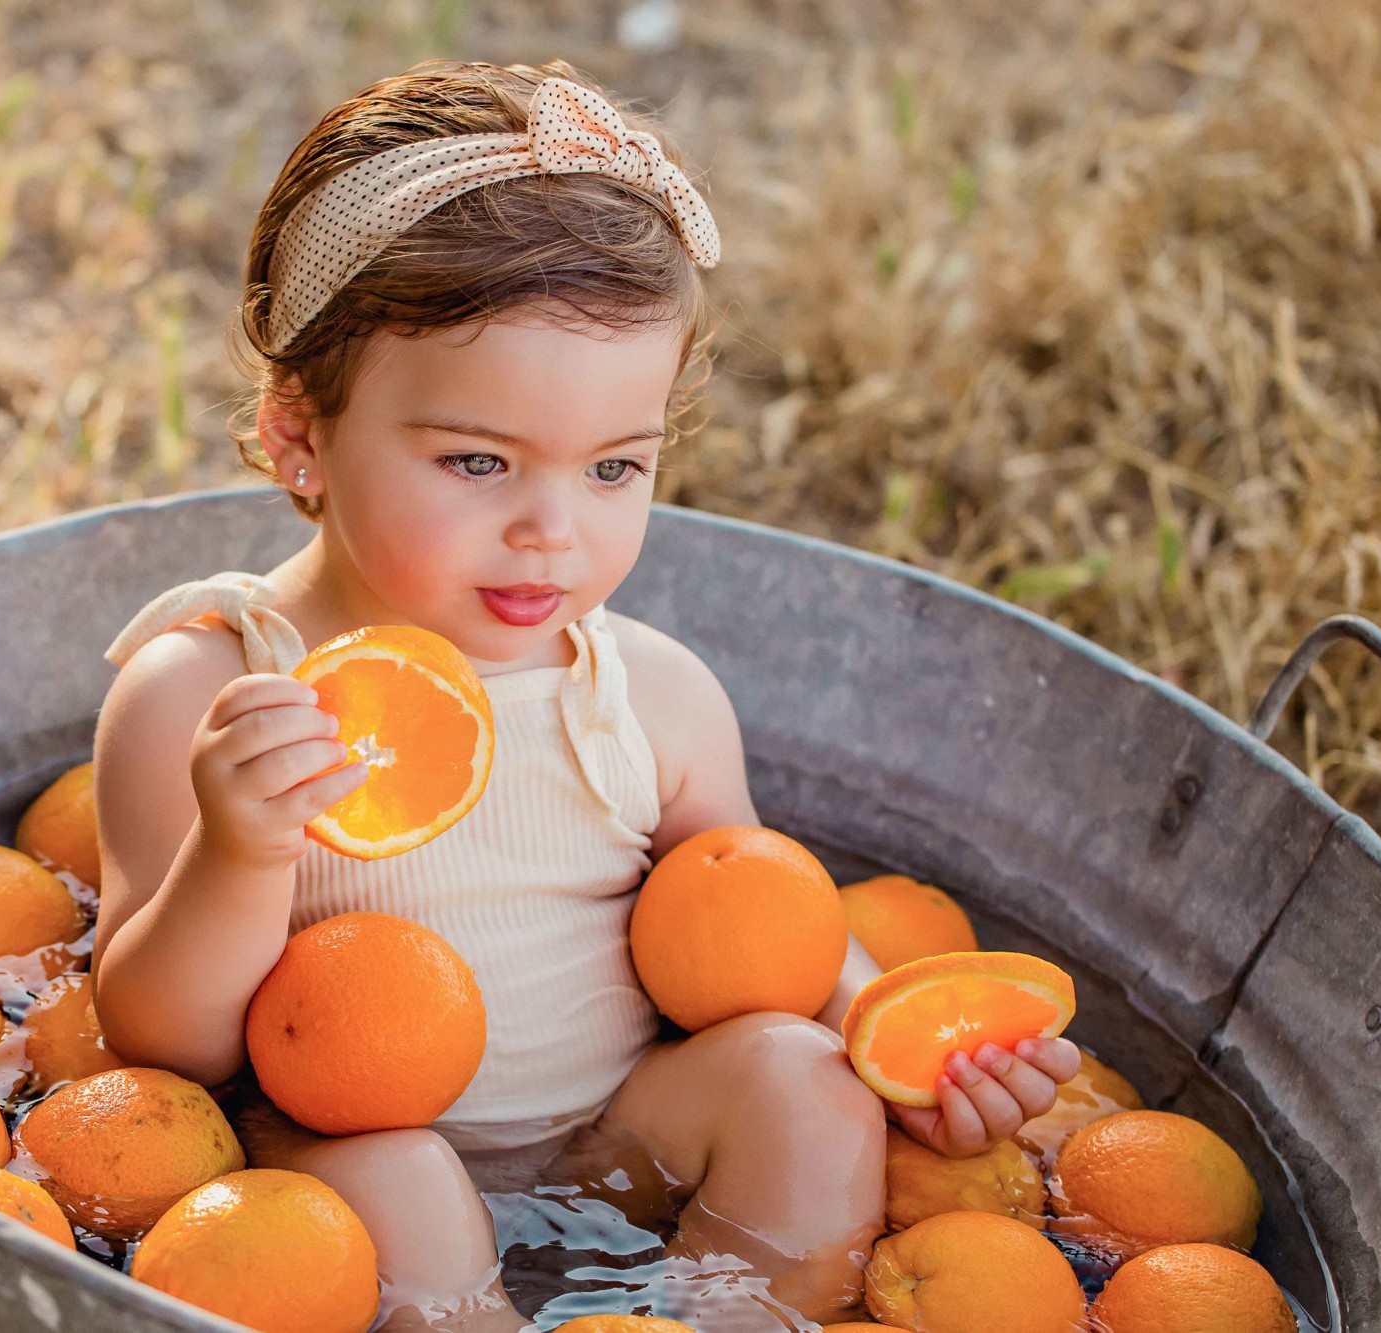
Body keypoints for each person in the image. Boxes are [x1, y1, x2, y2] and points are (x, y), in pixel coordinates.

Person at [90, 58, 1079, 1331]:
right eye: (478, 461)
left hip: (617, 1137)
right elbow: (162, 1048)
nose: (552, 533)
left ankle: (742, 1316)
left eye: (614, 466)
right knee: (396, 1181)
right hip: (333, 1155)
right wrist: (239, 849)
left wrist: (901, 1048)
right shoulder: (207, 690)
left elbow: (765, 930)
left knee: (799, 1080)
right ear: (299, 435)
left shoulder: (650, 698)